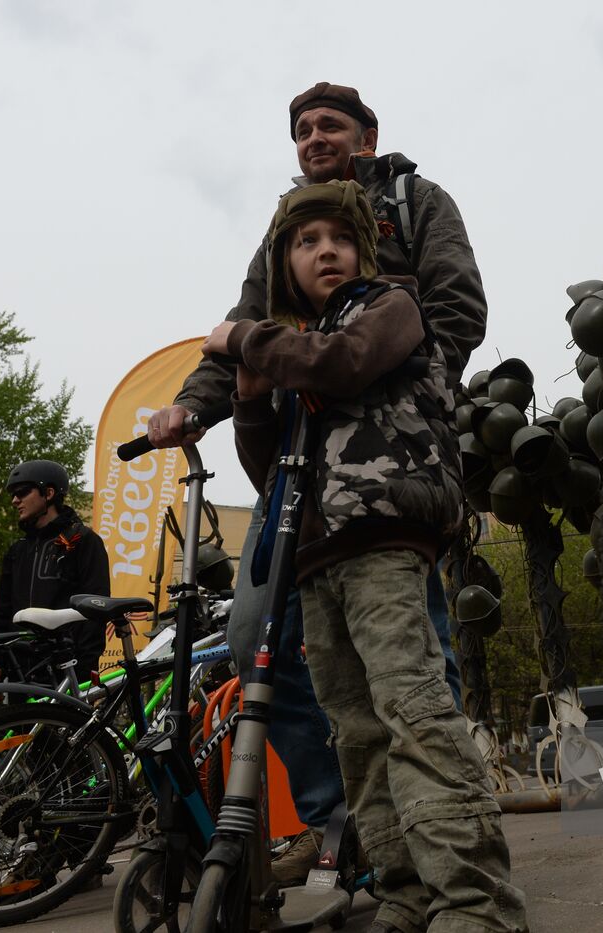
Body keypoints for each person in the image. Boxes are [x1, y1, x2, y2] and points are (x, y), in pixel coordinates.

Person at [148, 82, 485, 885]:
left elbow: (458, 307)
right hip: (298, 462)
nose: (313, 138)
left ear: (367, 135)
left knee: (412, 656)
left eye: (329, 125)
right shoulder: (285, 233)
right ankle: (343, 822)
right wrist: (194, 409)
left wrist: (399, 382)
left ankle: (445, 826)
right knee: (256, 638)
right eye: (301, 130)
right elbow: (239, 337)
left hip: (385, 465)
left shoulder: (415, 202)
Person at [205, 179, 526, 933]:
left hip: (382, 536)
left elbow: (343, 364)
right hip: (317, 558)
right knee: (357, 732)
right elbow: (271, 466)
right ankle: (406, 888)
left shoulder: (390, 307)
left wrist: (242, 338)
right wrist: (249, 398)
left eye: (340, 240)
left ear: (364, 251)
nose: (326, 251)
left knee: (413, 710)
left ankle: (479, 901)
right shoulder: (294, 348)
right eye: (307, 242)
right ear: (285, 262)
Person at [0, 460, 109, 685]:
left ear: (49, 493)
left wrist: (85, 669)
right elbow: (2, 612)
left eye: (23, 492)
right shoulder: (18, 549)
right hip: (19, 669)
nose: (15, 500)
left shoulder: (84, 541)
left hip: (67, 669)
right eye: (13, 494)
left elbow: (96, 609)